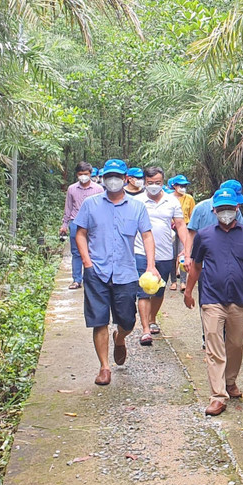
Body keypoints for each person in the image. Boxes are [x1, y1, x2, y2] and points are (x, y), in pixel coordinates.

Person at [183, 187, 243, 416]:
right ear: (214, 210)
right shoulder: (204, 235)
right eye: (221, 209)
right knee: (214, 347)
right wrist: (189, 291)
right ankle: (218, 396)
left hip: (239, 300)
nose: (225, 213)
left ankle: (230, 381)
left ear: (237, 208)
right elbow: (196, 266)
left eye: (229, 208)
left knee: (236, 343)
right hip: (212, 299)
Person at [74, 159, 159, 387]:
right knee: (99, 320)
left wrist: (151, 265)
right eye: (109, 176)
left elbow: (147, 236)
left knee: (128, 321)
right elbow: (80, 233)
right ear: (103, 179)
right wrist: (87, 263)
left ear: (125, 179)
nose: (113, 180)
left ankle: (120, 338)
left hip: (126, 273)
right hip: (97, 271)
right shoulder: (90, 204)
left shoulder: (137, 207)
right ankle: (104, 367)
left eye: (117, 176)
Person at [186, 179, 243, 349]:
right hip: (205, 265)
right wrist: (188, 256)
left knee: (230, 303)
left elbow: (242, 232)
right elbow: (191, 233)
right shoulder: (200, 208)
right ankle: (208, 336)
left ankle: (226, 337)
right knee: (208, 303)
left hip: (229, 264)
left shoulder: (235, 211)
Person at [133, 166, 188, 346]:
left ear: (163, 182)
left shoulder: (172, 201)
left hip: (165, 253)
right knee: (143, 291)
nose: (154, 186)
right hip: (141, 252)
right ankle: (145, 330)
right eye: (150, 183)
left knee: (158, 290)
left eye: (157, 182)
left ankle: (152, 318)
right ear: (145, 182)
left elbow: (180, 225)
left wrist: (187, 248)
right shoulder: (137, 201)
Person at [60, 162, 104, 289]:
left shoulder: (98, 189)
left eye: (85, 174)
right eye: (80, 174)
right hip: (76, 222)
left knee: (95, 250)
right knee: (76, 252)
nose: (83, 176)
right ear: (77, 175)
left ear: (90, 174)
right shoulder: (72, 189)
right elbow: (68, 207)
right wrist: (64, 224)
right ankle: (77, 280)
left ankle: (94, 278)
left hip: (94, 222)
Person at [170, 174, 195, 291]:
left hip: (184, 228)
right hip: (170, 229)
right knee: (172, 255)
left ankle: (183, 282)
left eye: (184, 185)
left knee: (183, 253)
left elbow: (192, 215)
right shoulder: (168, 198)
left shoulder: (189, 198)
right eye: (180, 185)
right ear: (174, 186)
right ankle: (173, 281)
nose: (183, 188)